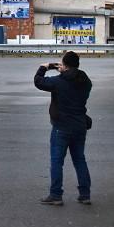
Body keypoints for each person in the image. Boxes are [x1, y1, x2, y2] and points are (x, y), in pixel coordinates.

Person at [34, 51, 92, 206]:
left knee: (57, 161)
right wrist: (65, 71)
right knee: (79, 159)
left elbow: (39, 82)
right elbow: (73, 80)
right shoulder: (86, 81)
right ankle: (85, 194)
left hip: (61, 126)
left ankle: (56, 194)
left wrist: (44, 67)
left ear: (65, 65)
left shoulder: (58, 82)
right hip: (80, 125)